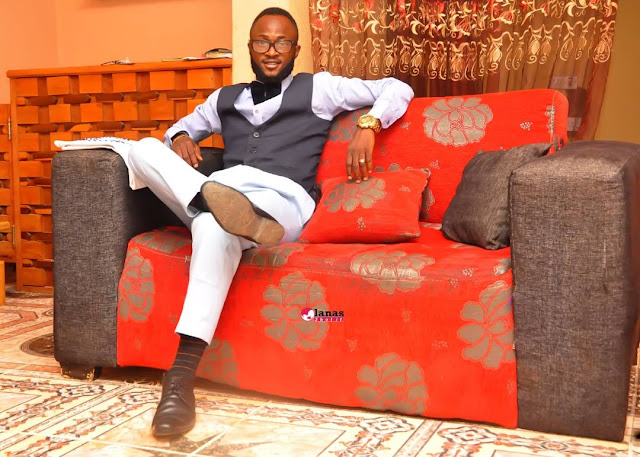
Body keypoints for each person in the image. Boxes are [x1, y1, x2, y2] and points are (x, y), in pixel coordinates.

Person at [127, 7, 414, 438]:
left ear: (296, 50)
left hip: (282, 202)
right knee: (143, 150)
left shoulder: (320, 88)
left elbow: (395, 87)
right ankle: (208, 204)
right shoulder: (223, 99)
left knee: (212, 224)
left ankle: (180, 378)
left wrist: (369, 124)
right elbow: (176, 131)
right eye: (263, 41)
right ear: (250, 47)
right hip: (224, 192)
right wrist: (182, 136)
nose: (272, 51)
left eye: (282, 43)